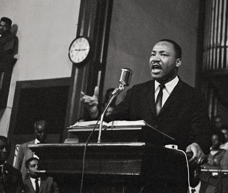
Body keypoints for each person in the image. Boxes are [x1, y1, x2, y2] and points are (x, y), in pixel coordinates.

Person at [81, 39, 211, 192]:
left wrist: (197, 144)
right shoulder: (137, 92)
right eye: (152, 54)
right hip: (136, 179)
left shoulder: (193, 96)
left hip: (172, 178)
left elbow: (202, 134)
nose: (155, 59)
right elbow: (111, 124)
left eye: (163, 54)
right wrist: (95, 112)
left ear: (178, 62)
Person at [0, 17, 19, 111]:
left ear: (9, 27)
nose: (1, 28)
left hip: (4, 63)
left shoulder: (12, 38)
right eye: (0, 25)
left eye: (4, 26)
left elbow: (11, 53)